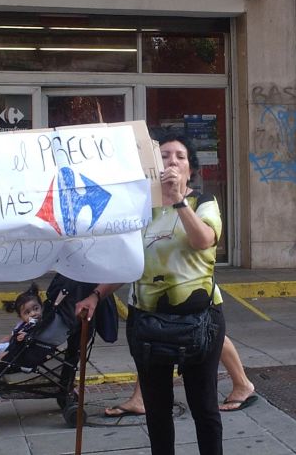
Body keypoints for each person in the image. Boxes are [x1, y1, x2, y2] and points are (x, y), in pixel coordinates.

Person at [75, 132, 225, 455]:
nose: (172, 162)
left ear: (190, 169)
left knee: (204, 408)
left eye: (180, 157)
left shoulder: (203, 203)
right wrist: (96, 295)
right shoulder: (141, 211)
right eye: (164, 156)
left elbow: (203, 240)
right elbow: (127, 264)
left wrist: (179, 200)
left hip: (200, 323)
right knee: (157, 412)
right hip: (149, 324)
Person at [99, 335, 257, 417]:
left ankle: (242, 383)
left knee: (206, 330)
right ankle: (140, 398)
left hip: (191, 289)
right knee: (156, 332)